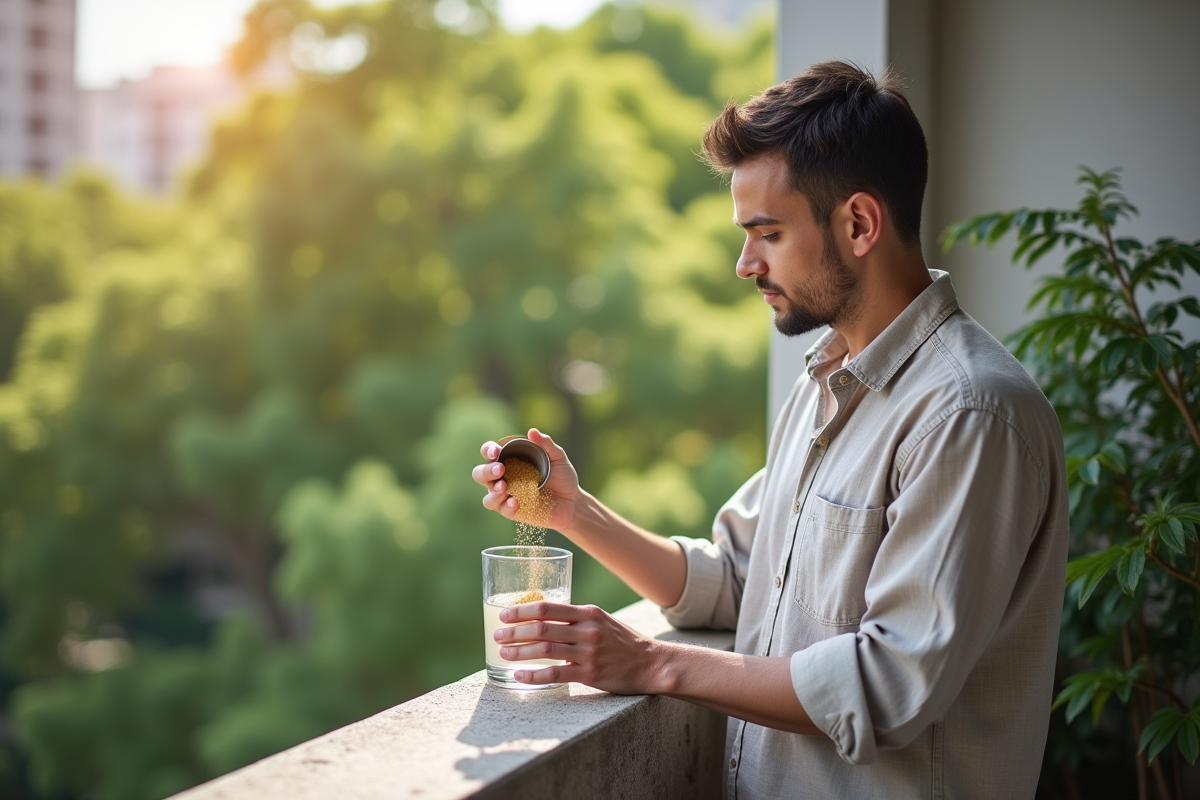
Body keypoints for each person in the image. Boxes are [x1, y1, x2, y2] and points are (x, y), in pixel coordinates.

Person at [471, 60, 1068, 800]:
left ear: (857, 223)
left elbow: (887, 687)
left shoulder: (969, 414)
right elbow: (739, 582)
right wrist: (569, 511)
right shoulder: (825, 381)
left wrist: (653, 665)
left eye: (768, 233)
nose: (743, 263)